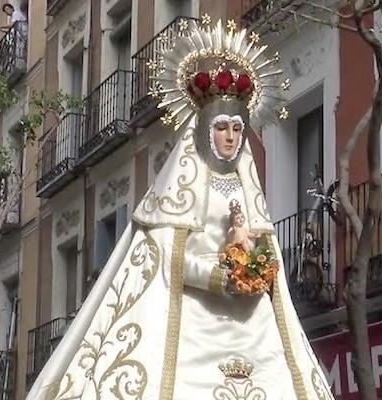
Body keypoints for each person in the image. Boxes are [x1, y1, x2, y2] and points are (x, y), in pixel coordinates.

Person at [26, 19, 334, 400]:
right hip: (192, 323)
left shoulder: (248, 189)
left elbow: (264, 252)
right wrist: (219, 276)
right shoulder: (179, 189)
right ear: (204, 128)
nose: (231, 138)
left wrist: (255, 270)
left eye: (238, 129)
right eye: (223, 127)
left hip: (250, 325)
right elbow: (165, 257)